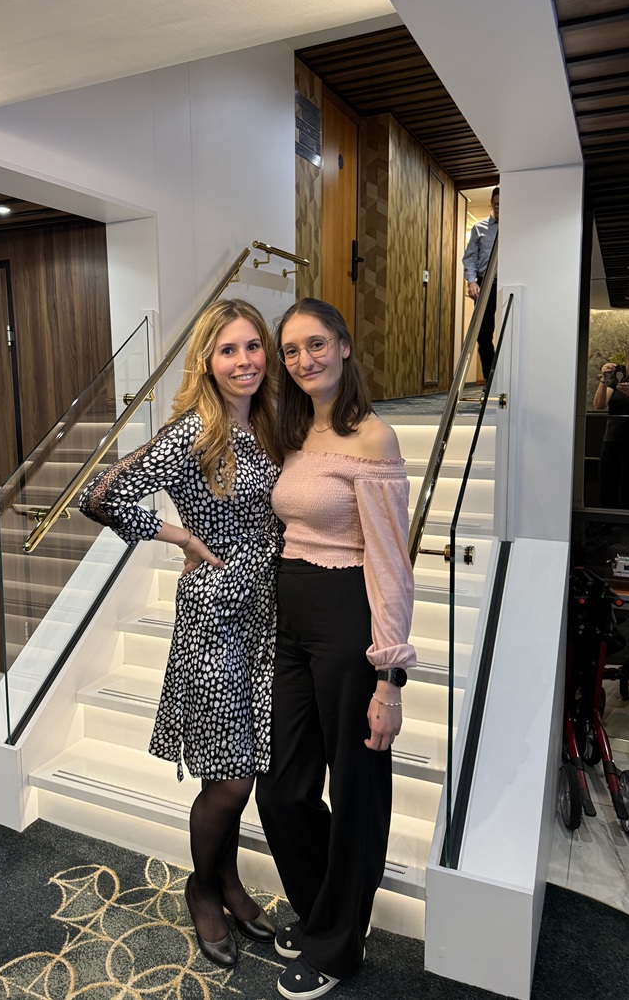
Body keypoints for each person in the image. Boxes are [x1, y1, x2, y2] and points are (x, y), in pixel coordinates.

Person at [79, 298, 283, 968]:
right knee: (230, 778)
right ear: (207, 360)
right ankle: (203, 888)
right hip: (214, 614)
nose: (244, 360)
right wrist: (182, 536)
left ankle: (228, 881)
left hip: (265, 615)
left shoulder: (270, 423)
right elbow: (99, 495)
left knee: (241, 764)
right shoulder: (194, 430)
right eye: (229, 350)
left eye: (253, 346)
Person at [255, 297, 416, 1000]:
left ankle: (338, 944)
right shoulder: (294, 431)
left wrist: (390, 679)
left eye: (315, 344)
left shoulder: (373, 438)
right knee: (282, 786)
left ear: (344, 346)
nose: (303, 359)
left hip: (348, 620)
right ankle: (334, 911)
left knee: (355, 788)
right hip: (291, 620)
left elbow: (391, 563)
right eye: (291, 350)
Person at [463, 185, 500, 378]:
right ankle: (491, 380)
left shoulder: (517, 226)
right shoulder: (479, 228)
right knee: (483, 334)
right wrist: (471, 282)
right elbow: (470, 258)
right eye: (496, 204)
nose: (499, 208)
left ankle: (507, 381)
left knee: (510, 331)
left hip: (508, 284)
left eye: (503, 205)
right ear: (491, 203)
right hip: (486, 284)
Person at [593, 355, 629, 509]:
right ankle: (607, 521)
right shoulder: (619, 379)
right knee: (607, 487)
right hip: (612, 439)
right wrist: (605, 378)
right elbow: (599, 404)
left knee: (628, 490)